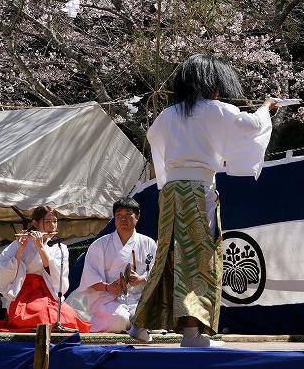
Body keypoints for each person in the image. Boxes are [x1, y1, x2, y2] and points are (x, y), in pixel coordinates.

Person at [130, 53, 275, 347]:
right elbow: (251, 127)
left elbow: (153, 137)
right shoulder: (214, 109)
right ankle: (192, 333)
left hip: (170, 191)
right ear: (211, 84)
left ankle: (140, 323)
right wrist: (265, 108)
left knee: (168, 255)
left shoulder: (168, 114)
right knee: (200, 257)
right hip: (197, 190)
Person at [0, 206, 90, 332]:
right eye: (48, 221)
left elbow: (55, 272)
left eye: (55, 221)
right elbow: (5, 266)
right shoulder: (21, 242)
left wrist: (41, 247)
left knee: (66, 317)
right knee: (38, 317)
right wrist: (20, 248)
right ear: (35, 223)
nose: (53, 225)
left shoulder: (59, 247)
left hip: (47, 290)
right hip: (23, 292)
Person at [66, 198, 157, 333]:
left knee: (151, 316)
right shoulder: (100, 244)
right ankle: (130, 324)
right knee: (119, 319)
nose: (123, 219)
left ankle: (135, 323)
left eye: (128, 214)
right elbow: (90, 277)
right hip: (108, 298)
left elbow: (157, 272)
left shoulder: (148, 243)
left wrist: (141, 279)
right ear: (114, 218)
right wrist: (109, 287)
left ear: (137, 217)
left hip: (139, 297)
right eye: (119, 215)